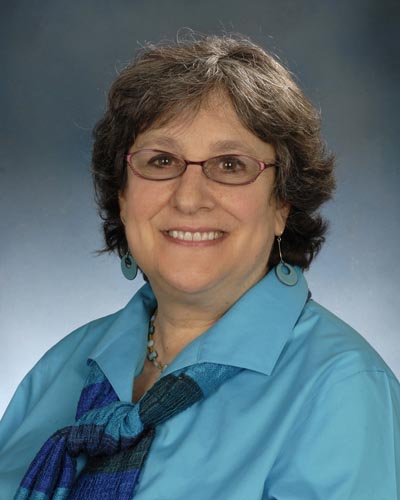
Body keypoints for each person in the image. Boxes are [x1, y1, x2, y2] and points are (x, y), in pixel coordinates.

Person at [0, 33, 399, 500]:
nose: (189, 198)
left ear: (282, 204)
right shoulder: (61, 368)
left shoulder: (342, 388)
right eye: (161, 160)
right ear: (123, 198)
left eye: (230, 165)